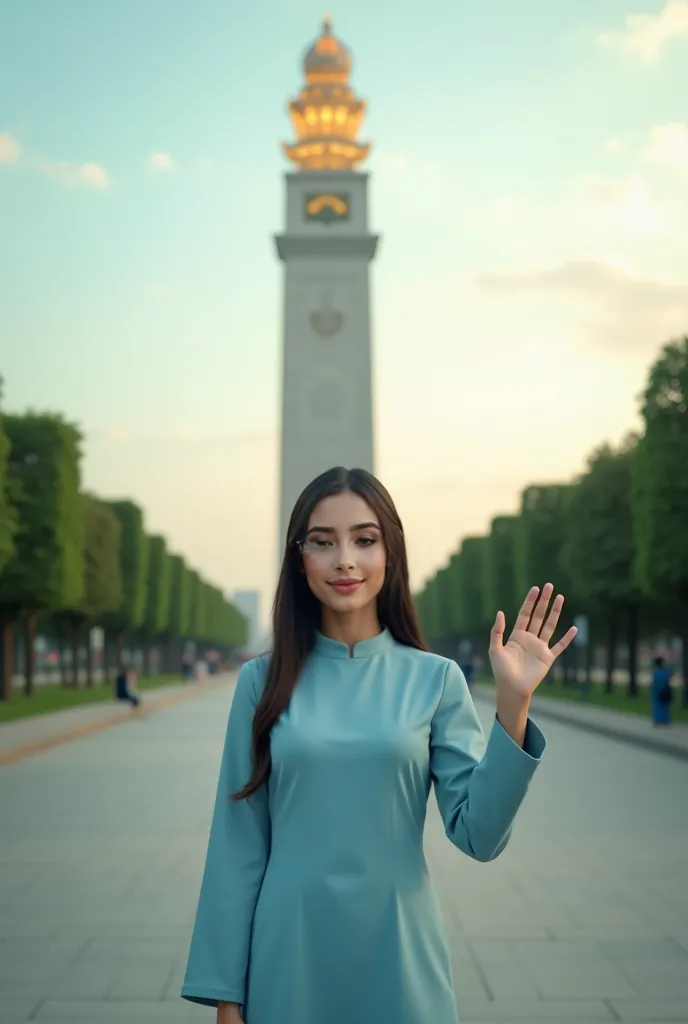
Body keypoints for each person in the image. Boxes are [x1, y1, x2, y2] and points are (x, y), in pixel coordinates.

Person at [181, 467, 577, 1024]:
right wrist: (227, 995)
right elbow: (237, 846)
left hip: (399, 948)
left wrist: (513, 705)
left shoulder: (435, 680)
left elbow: (480, 835)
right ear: (300, 560)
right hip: (286, 952)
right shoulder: (260, 682)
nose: (345, 559)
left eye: (365, 540)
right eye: (323, 542)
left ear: (391, 553)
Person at [650, 654, 673, 726]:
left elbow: (654, 682)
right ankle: (665, 720)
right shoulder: (666, 671)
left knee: (657, 706)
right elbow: (670, 675)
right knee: (665, 707)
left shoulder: (655, 672)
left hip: (656, 691)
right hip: (665, 690)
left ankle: (657, 720)